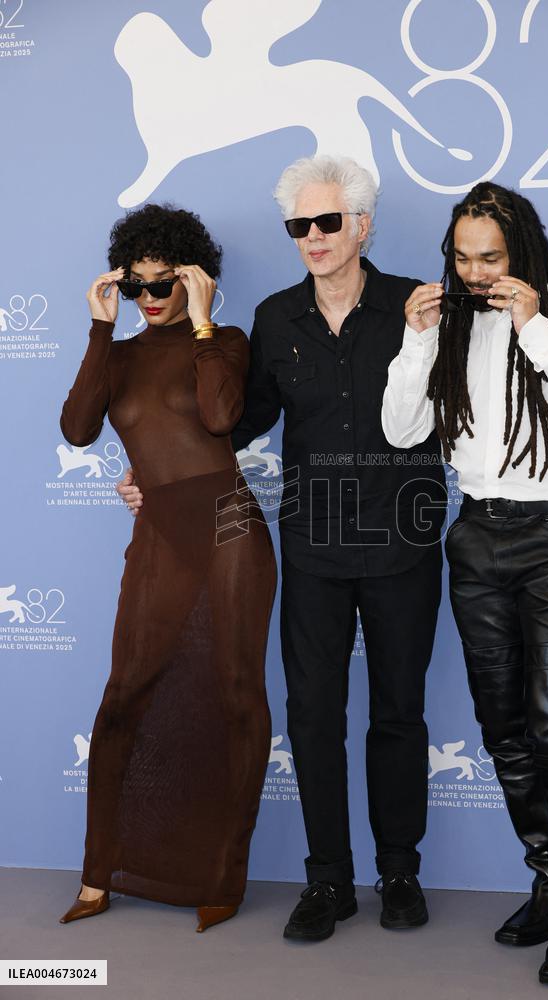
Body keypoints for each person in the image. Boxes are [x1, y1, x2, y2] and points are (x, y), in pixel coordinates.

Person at [120, 156, 448, 939]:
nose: (312, 237)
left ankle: (398, 871)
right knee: (312, 715)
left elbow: (474, 391)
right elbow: (237, 423)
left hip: (404, 539)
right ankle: (328, 880)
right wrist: (159, 474)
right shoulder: (272, 319)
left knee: (400, 712)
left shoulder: (417, 305)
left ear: (362, 224)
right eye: (298, 225)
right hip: (313, 546)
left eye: (327, 222)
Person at [382, 182, 548, 986]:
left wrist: (537, 331)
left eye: (492, 257)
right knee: (503, 728)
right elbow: (402, 429)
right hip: (478, 532)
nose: (478, 273)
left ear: (522, 249)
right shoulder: (450, 324)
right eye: (463, 257)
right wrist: (418, 342)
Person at [59, 204, 276, 933]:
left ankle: (222, 878)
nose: (150, 299)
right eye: (137, 286)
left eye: (165, 284)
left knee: (237, 693)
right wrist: (98, 328)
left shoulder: (228, 341)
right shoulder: (117, 355)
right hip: (161, 533)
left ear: (193, 280)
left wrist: (207, 322)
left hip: (228, 527)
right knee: (126, 693)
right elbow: (78, 428)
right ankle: (99, 874)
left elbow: (219, 418)